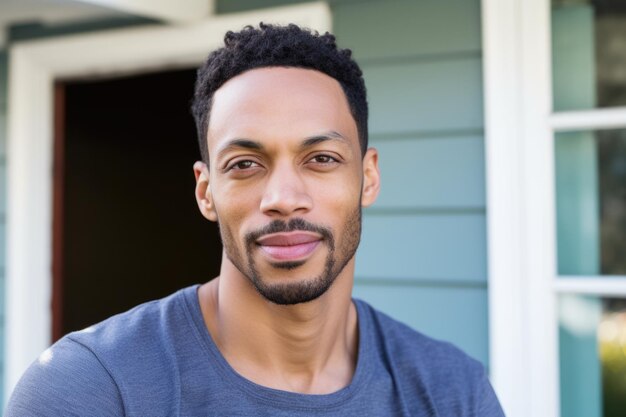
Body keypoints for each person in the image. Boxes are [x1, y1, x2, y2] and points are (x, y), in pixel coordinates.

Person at [6, 24, 505, 416]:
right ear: (206, 192)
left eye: (321, 159)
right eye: (245, 164)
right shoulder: (90, 389)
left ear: (367, 178)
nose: (284, 198)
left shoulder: (452, 391)